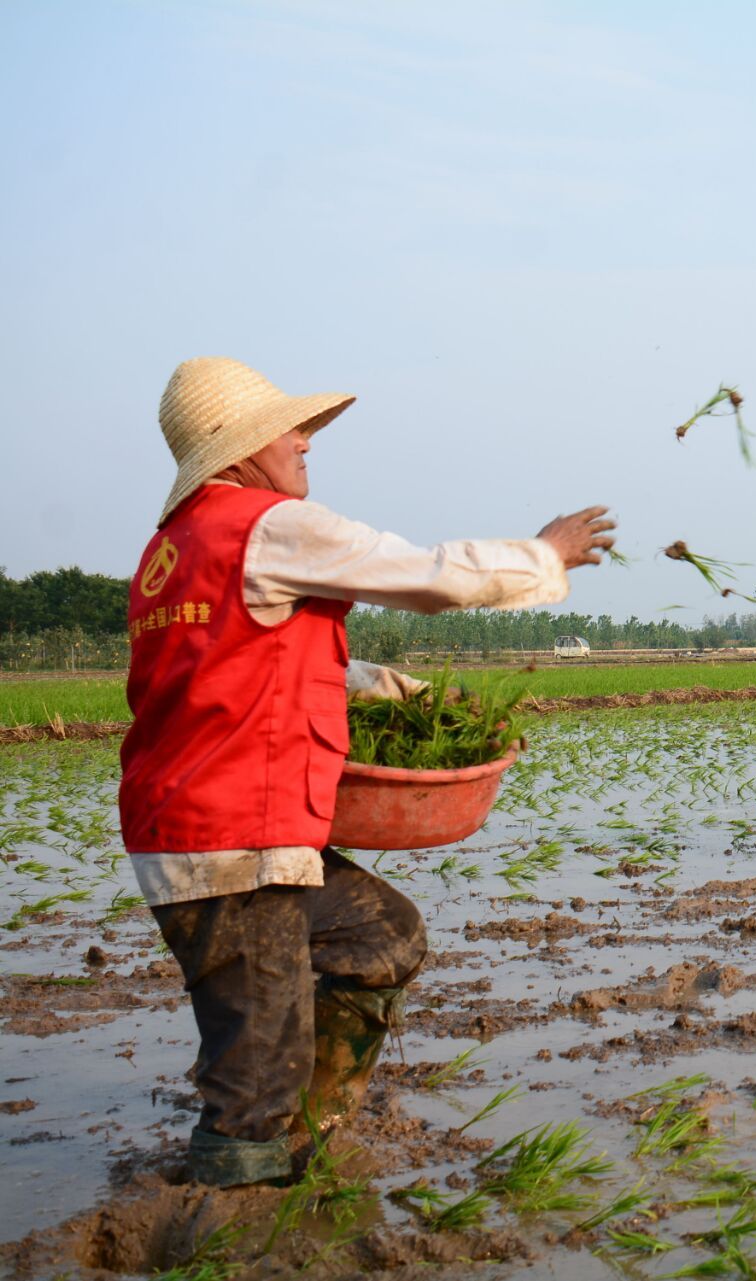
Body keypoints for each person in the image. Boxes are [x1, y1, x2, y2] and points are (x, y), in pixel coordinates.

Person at [120, 357, 616, 1188]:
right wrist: (545, 553)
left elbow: (265, 663)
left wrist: (412, 698)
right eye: (290, 429)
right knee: (250, 1093)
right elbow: (426, 574)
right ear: (239, 450)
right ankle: (229, 1221)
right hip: (234, 845)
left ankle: (306, 1142)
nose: (306, 440)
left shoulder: (176, 550)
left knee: (382, 933)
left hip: (202, 833)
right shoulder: (265, 525)